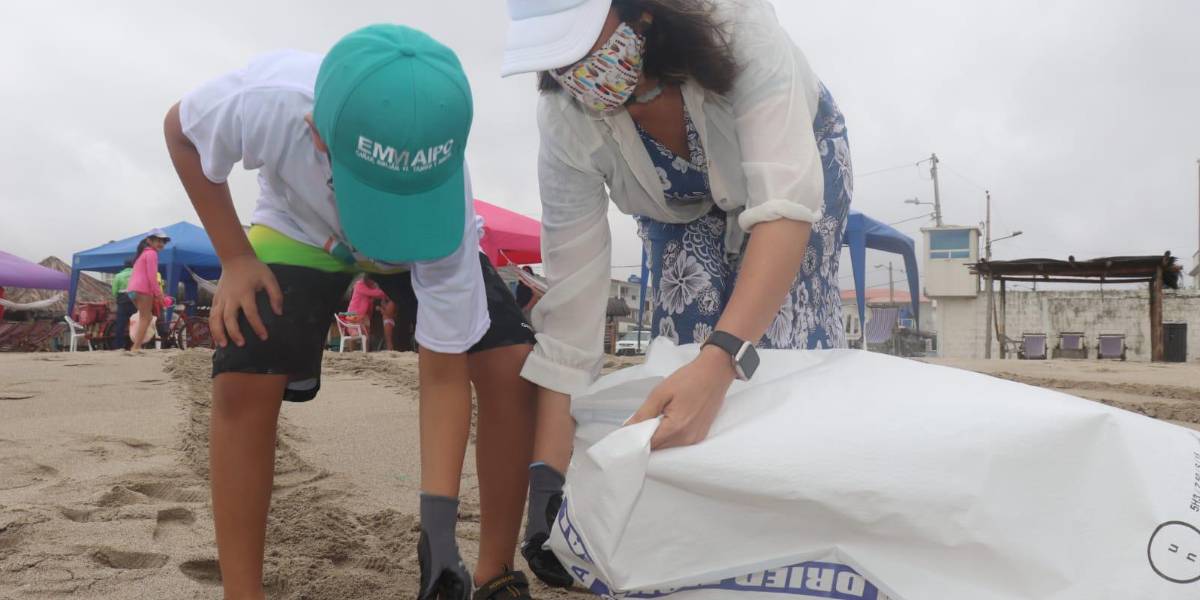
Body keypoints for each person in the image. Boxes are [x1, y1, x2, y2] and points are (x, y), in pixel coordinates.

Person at [164, 25, 538, 600]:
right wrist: (235, 258)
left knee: (509, 361)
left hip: (415, 238)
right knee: (245, 366)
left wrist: (438, 534)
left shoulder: (447, 206)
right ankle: (242, 592)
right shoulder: (269, 99)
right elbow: (180, 133)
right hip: (301, 228)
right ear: (316, 131)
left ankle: (493, 571)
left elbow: (444, 372)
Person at [502, 0, 853, 587]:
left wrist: (723, 358)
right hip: (675, 208)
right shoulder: (564, 116)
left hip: (792, 171)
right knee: (679, 365)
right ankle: (710, 527)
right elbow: (572, 306)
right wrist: (548, 482)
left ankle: (800, 526)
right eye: (553, 54)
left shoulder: (737, 26)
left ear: (641, 12)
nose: (571, 69)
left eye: (580, 42)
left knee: (773, 354)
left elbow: (783, 207)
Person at [126, 231, 170, 352]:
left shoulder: (142, 254)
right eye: (158, 241)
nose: (161, 244)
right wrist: (159, 294)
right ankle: (136, 347)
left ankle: (136, 345)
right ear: (149, 241)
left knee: (147, 317)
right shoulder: (152, 253)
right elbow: (152, 276)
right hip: (143, 289)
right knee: (146, 318)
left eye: (163, 241)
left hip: (132, 290)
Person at [111, 261, 136, 350]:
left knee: (120, 325)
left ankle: (119, 346)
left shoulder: (118, 276)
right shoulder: (137, 274)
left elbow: (114, 291)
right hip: (135, 300)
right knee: (136, 323)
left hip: (122, 301)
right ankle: (136, 344)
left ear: (124, 266)